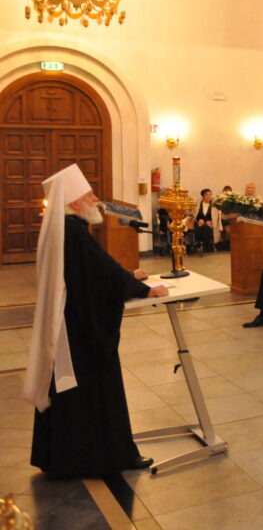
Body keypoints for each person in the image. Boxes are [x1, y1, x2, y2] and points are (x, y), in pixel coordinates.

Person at [26, 164, 168, 478]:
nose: (97, 200)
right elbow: (101, 276)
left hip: (71, 324)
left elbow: (93, 273)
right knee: (95, 391)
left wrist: (128, 277)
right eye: (89, 195)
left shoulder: (64, 229)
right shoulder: (74, 232)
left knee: (70, 392)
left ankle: (61, 457)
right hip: (82, 331)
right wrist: (142, 289)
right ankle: (104, 457)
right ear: (75, 202)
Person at [191, 188, 222, 254]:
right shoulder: (197, 204)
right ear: (203, 196)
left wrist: (211, 222)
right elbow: (193, 215)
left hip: (210, 224)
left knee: (206, 227)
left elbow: (217, 217)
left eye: (210, 194)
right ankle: (205, 245)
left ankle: (201, 245)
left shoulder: (215, 205)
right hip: (198, 223)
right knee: (201, 228)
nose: (209, 196)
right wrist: (197, 221)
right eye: (207, 194)